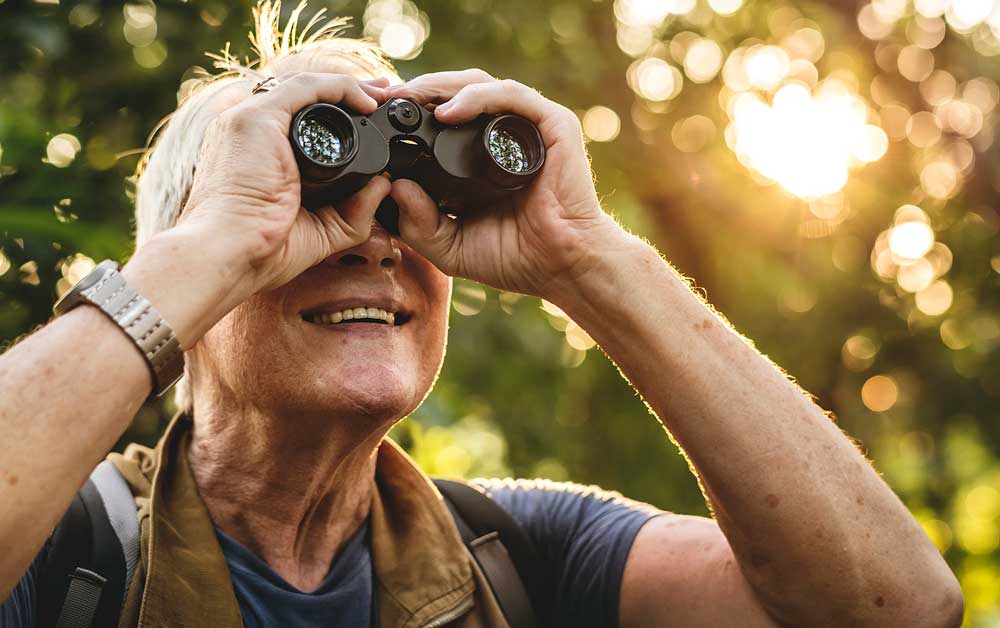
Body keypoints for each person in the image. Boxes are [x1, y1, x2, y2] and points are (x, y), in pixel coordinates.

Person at [0, 2, 963, 627]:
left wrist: (588, 257)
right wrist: (215, 247)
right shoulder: (69, 551)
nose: (375, 241)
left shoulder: (520, 558)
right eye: (308, 207)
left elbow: (895, 610)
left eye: (408, 206)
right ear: (193, 251)